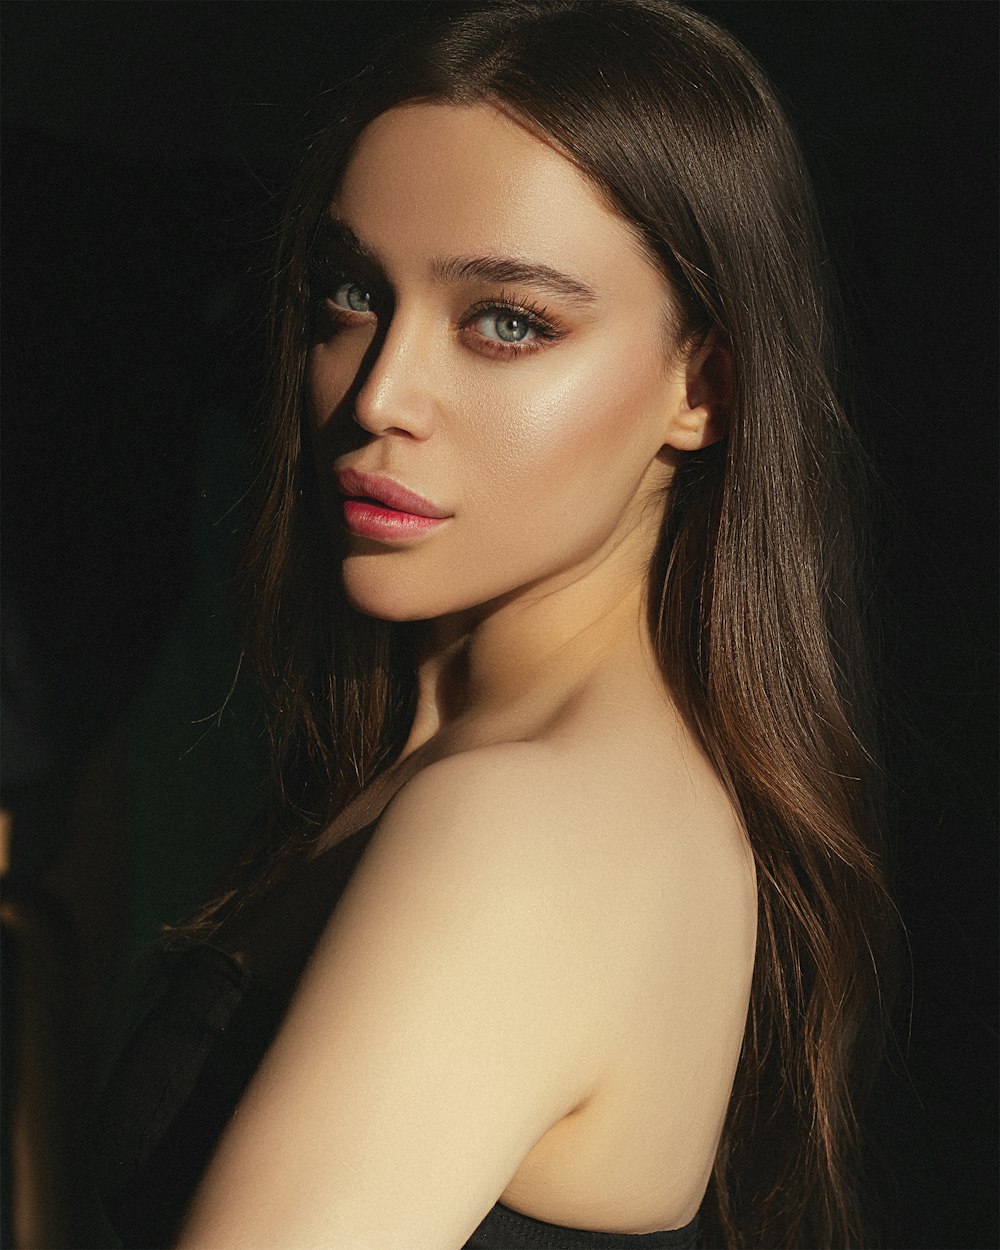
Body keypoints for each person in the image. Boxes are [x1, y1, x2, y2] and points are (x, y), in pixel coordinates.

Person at [95, 2, 895, 1247]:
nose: (380, 394)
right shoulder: (490, 772)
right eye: (353, 291)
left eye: (507, 321)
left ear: (705, 385)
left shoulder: (525, 823)